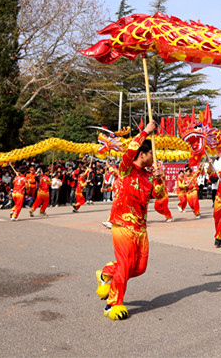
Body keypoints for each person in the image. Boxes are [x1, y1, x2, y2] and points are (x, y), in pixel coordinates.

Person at [95, 120, 160, 321]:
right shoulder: (126, 168)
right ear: (143, 154)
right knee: (125, 266)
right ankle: (112, 305)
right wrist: (145, 132)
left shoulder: (147, 176)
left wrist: (159, 179)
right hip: (123, 225)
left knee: (139, 268)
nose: (154, 158)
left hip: (141, 228)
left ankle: (106, 274)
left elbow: (159, 195)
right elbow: (130, 151)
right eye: (151, 154)